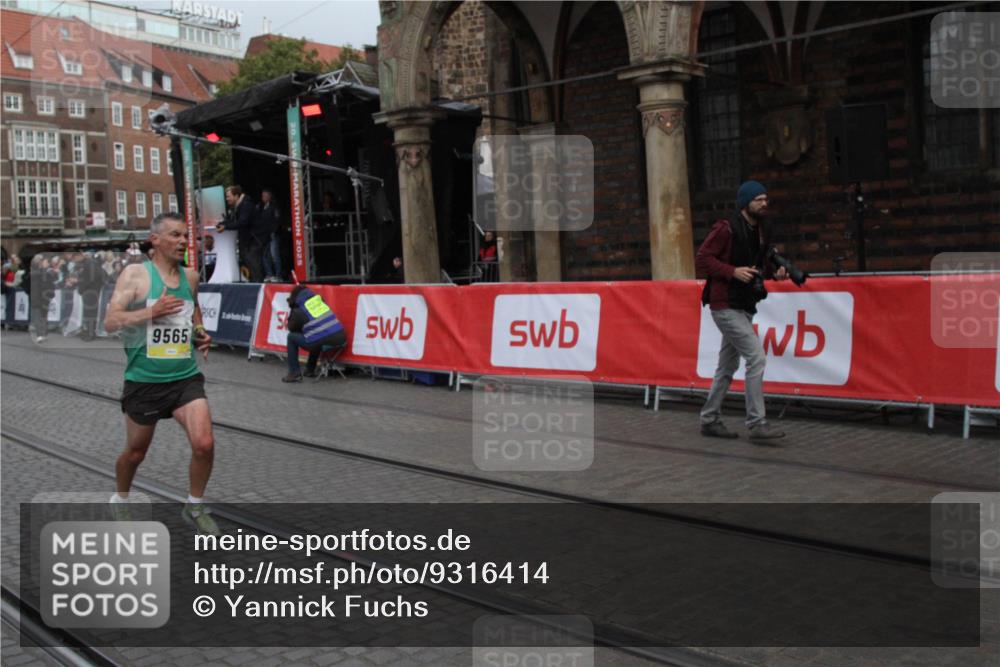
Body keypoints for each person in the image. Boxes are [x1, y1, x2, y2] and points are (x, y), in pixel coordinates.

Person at [103, 212, 219, 534]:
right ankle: (120, 499)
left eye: (185, 235)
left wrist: (199, 332)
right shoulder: (135, 275)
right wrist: (150, 312)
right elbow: (111, 321)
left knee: (204, 443)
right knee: (136, 453)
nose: (183, 241)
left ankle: (194, 505)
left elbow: (192, 308)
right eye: (175, 235)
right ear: (154, 240)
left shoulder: (191, 277)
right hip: (144, 380)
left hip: (184, 377)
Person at [696, 180, 788, 442]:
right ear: (745, 202)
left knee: (727, 365)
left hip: (744, 304)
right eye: (758, 199)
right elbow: (703, 258)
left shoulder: (760, 230)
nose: (764, 203)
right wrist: (732, 271)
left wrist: (775, 274)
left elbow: (758, 266)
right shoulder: (726, 228)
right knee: (756, 358)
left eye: (766, 199)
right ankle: (757, 424)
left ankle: (709, 419)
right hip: (725, 304)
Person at [282, 284, 347, 383]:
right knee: (314, 335)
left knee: (292, 337)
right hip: (341, 337)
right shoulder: (319, 301)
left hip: (323, 339)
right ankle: (309, 370)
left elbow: (291, 328)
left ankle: (294, 373)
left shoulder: (299, 309)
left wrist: (292, 308)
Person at [218, 185, 262, 282]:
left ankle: (257, 286)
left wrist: (225, 227)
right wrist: (222, 223)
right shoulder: (239, 206)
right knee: (251, 266)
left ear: (236, 196)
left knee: (254, 267)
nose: (227, 199)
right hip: (248, 242)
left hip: (252, 242)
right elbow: (234, 221)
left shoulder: (246, 205)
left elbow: (242, 222)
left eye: (228, 196)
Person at [256, 189, 283, 282]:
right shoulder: (262, 207)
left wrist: (273, 232)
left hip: (272, 235)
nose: (263, 197)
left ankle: (278, 275)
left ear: (269, 197)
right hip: (265, 235)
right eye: (262, 196)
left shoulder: (274, 207)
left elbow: (277, 221)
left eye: (265, 196)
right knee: (265, 256)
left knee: (274, 255)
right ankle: (269, 274)